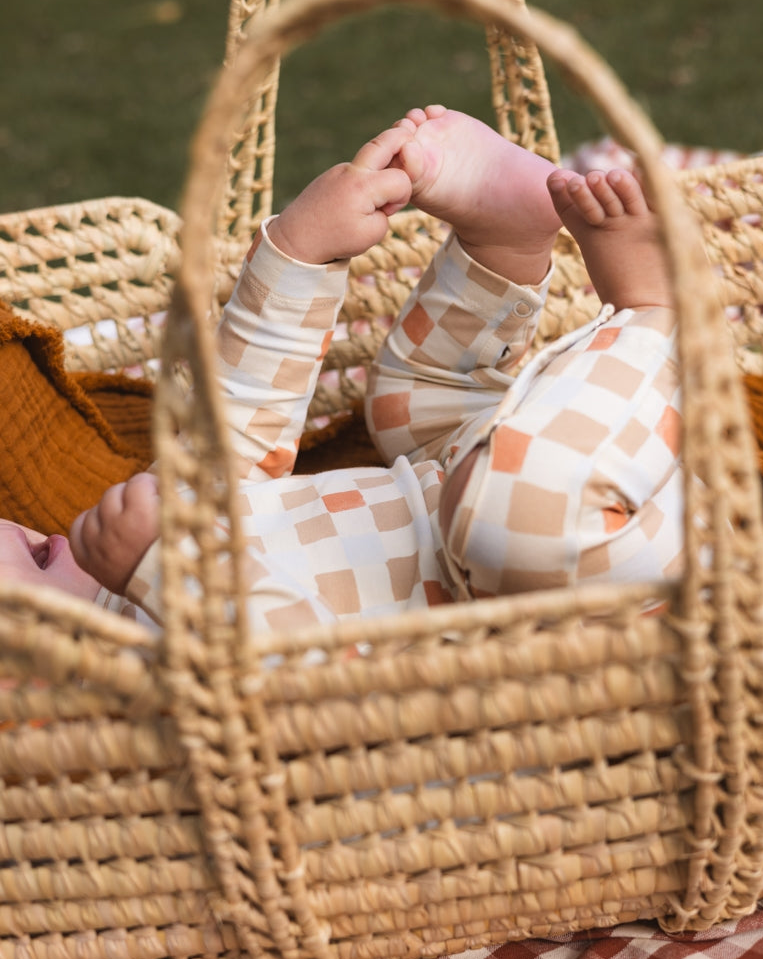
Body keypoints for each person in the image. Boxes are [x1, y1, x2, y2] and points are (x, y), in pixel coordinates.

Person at [0, 105, 681, 635]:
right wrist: (168, 575)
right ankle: (659, 314)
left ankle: (504, 245)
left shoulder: (141, 535)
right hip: (593, 588)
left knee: (407, 413)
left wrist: (299, 251)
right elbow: (310, 688)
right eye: (31, 557)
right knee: (509, 512)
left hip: (494, 481)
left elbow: (236, 422)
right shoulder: (150, 697)